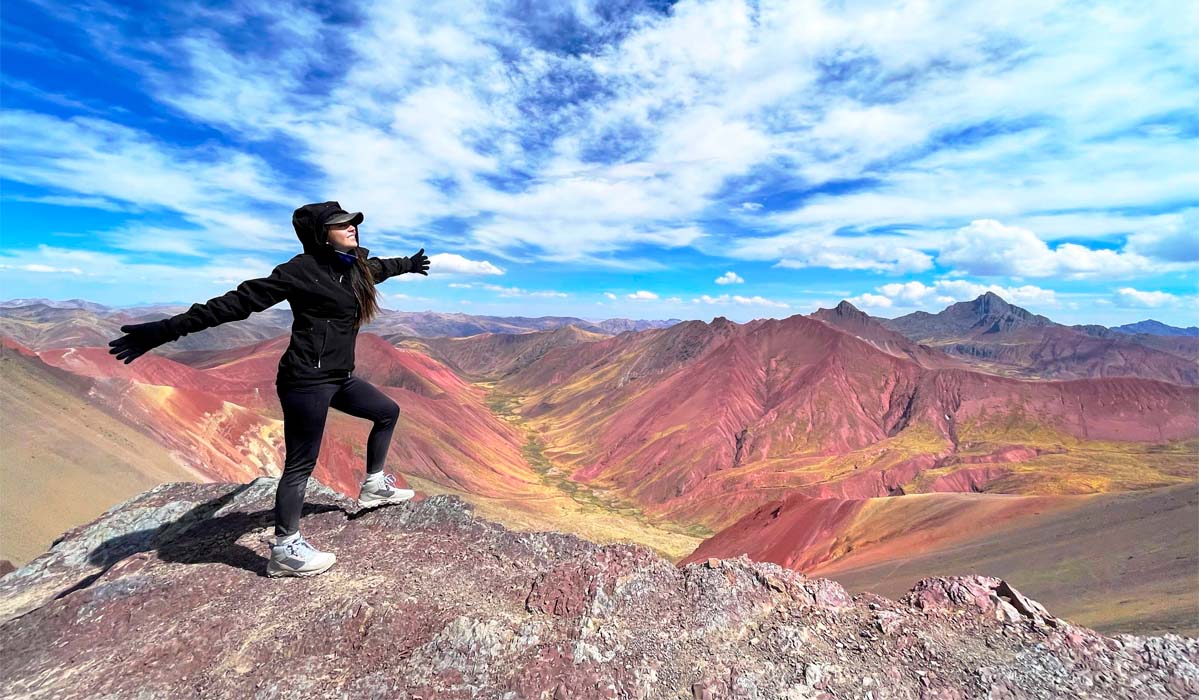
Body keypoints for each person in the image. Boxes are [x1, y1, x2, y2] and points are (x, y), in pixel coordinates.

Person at [108, 201, 431, 578]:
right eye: (341, 224)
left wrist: (408, 263)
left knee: (386, 412)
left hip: (339, 377)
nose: (352, 227)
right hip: (305, 381)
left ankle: (374, 485)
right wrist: (166, 329)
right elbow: (235, 304)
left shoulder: (355, 269)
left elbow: (382, 269)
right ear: (319, 234)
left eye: (353, 222)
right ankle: (285, 549)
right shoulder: (299, 271)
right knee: (300, 465)